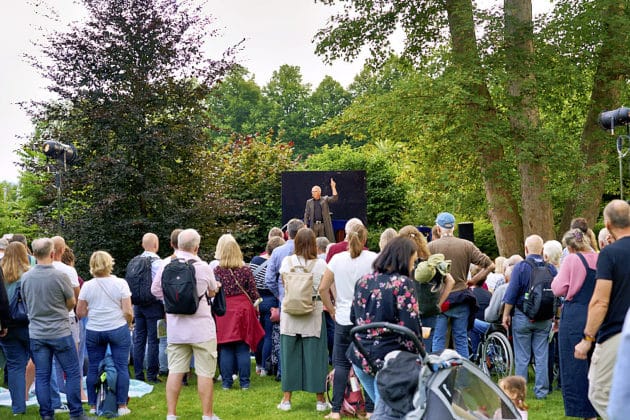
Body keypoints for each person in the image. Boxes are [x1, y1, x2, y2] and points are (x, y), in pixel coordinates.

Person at [151, 229, 221, 420]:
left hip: (176, 327)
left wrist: (172, 301)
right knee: (205, 373)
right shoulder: (203, 266)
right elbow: (213, 290)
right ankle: (207, 415)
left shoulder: (165, 264)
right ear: (196, 247)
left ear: (176, 244)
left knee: (175, 371)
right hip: (201, 328)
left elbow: (155, 290)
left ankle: (171, 414)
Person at [347, 236, 422, 404]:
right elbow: (411, 329)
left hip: (361, 355)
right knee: (389, 411)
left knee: (383, 409)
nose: (413, 266)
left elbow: (353, 317)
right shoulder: (403, 284)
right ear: (404, 258)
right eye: (413, 261)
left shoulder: (363, 281)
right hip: (390, 360)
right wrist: (420, 358)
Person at [21, 238, 89, 420]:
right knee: (73, 372)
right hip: (60, 331)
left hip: (37, 332)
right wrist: (60, 310)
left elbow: (26, 301)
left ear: (34, 254)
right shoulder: (61, 276)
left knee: (42, 375)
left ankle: (46, 414)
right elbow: (71, 302)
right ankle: (76, 412)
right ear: (52, 254)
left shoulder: (26, 277)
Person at [574, 200, 630, 418]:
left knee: (599, 391)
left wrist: (587, 339)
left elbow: (600, 301)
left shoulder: (610, 254)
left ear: (607, 225)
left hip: (617, 332)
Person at [319, 225, 377, 419]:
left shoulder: (337, 259)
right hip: (367, 319)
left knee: (341, 364)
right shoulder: (373, 259)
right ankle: (370, 408)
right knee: (368, 363)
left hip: (343, 317)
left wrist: (332, 309)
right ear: (365, 239)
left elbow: (323, 288)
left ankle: (335, 410)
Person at [276, 228, 330, 412]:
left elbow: (284, 283)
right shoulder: (321, 264)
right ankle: (320, 400)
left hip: (290, 312)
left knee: (289, 354)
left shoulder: (287, 261)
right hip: (313, 311)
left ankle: (286, 400)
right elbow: (324, 288)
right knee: (316, 355)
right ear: (314, 243)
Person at [428, 212, 493, 358]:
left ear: (438, 229)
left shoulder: (431, 247)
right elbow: (489, 265)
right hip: (462, 297)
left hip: (441, 300)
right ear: (453, 227)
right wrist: (474, 280)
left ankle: (438, 374)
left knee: (438, 340)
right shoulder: (466, 245)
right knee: (461, 340)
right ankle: (464, 375)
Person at [76, 251, 133, 416]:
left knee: (93, 367)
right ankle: (122, 405)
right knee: (121, 366)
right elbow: (128, 311)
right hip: (118, 328)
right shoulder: (121, 283)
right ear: (110, 263)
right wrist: (128, 324)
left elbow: (80, 312)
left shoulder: (87, 285)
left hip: (95, 329)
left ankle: (94, 405)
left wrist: (95, 312)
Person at [551, 228, 598, 419]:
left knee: (575, 366)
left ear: (569, 247)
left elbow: (557, 288)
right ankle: (600, 405)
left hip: (576, 314)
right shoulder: (599, 257)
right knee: (597, 363)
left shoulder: (572, 259)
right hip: (597, 312)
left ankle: (585, 411)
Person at [502, 235, 556, 400]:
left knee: (522, 356)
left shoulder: (521, 267)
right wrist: (557, 317)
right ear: (542, 250)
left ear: (526, 249)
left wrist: (505, 314)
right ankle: (541, 392)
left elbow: (511, 294)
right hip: (545, 318)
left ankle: (519, 393)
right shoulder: (551, 268)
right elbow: (557, 296)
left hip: (523, 316)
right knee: (541, 355)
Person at [213, 234, 264, 390]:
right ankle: (244, 383)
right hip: (243, 308)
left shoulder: (217, 270)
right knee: (243, 347)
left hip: (224, 310)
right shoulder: (245, 270)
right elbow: (254, 293)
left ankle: (227, 383)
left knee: (225, 346)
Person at [0, 242, 34, 415]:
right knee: (40, 361)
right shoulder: (29, 274)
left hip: (7, 326)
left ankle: (18, 408)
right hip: (29, 324)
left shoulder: (2, 274)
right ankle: (49, 402)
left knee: (14, 366)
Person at [129, 233, 164, 384]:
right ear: (156, 245)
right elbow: (159, 286)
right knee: (153, 340)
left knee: (139, 339)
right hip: (153, 304)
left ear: (143, 245)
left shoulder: (135, 261)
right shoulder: (158, 263)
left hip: (137, 304)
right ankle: (151, 374)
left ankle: (138, 373)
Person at [250, 236, 285, 377]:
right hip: (272, 301)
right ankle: (265, 366)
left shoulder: (254, 261)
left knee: (259, 334)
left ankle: (258, 364)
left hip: (258, 300)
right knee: (269, 336)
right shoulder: (276, 263)